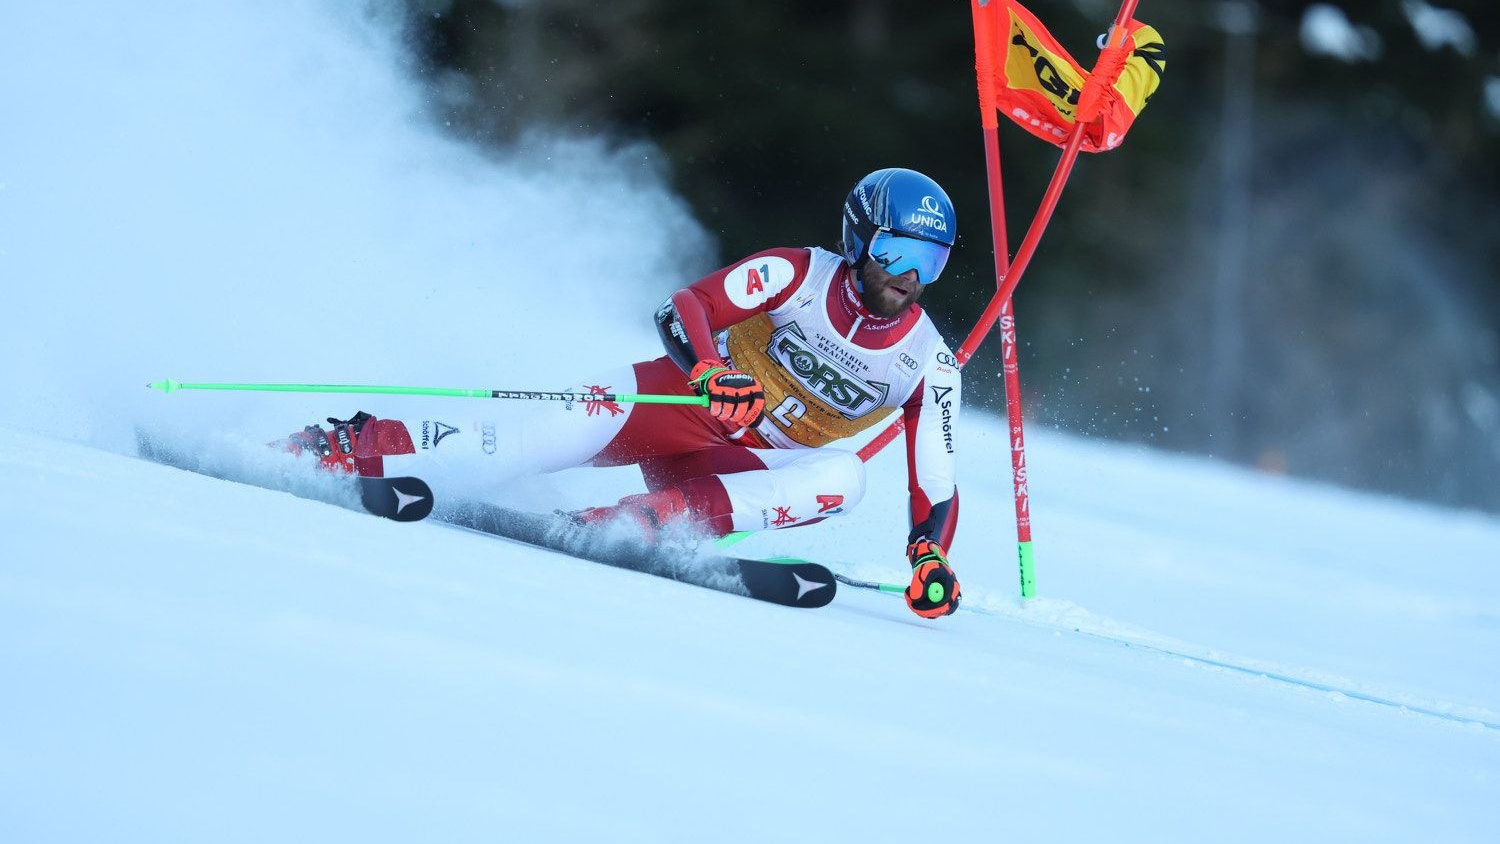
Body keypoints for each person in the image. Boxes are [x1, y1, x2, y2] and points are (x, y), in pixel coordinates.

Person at [284, 168, 964, 618]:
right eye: (896, 252)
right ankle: (359, 445)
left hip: (740, 470)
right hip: (677, 406)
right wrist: (708, 372)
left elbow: (935, 480)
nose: (908, 277)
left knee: (846, 477)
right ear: (858, 239)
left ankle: (647, 519)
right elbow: (684, 307)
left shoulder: (926, 362)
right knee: (526, 439)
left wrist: (928, 555)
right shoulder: (797, 274)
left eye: (929, 261)